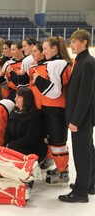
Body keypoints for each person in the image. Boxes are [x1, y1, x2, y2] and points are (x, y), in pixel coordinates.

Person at [59, 29, 95, 203]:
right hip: (81, 118)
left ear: (84, 43)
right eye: (71, 42)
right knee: (88, 151)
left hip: (81, 118)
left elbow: (85, 95)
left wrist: (75, 120)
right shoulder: (81, 61)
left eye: (74, 42)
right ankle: (89, 184)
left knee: (82, 154)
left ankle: (81, 193)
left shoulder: (87, 63)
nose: (71, 45)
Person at [32, 36, 72, 185]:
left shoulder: (56, 64)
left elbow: (55, 92)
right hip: (55, 109)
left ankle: (62, 174)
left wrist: (38, 80)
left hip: (54, 109)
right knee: (56, 142)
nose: (44, 51)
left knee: (57, 143)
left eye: (46, 48)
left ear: (54, 49)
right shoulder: (59, 63)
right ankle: (62, 170)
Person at [3, 88, 47, 163]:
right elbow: (8, 131)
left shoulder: (34, 115)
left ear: (27, 99)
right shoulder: (13, 113)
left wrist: (12, 145)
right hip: (15, 146)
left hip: (31, 149)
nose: (15, 99)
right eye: (16, 96)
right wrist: (6, 144)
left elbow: (30, 138)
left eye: (19, 97)